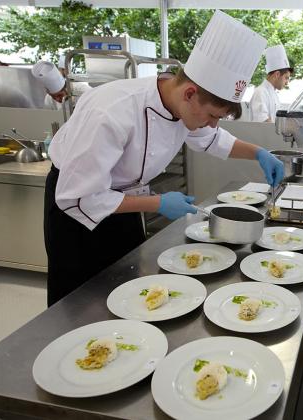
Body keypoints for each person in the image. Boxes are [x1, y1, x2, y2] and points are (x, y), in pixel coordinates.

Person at [44, 11, 284, 307]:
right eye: (212, 116)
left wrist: (260, 153)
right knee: (77, 303)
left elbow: (214, 139)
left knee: (129, 291)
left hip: (125, 205)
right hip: (77, 216)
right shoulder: (111, 112)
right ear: (190, 93)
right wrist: (157, 203)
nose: (212, 125)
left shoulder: (182, 108)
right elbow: (78, 198)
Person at [249, 44, 293, 122]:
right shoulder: (260, 92)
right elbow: (263, 120)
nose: (287, 82)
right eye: (286, 78)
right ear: (277, 74)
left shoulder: (273, 93)